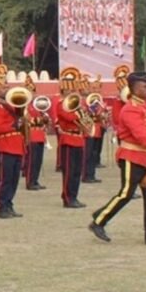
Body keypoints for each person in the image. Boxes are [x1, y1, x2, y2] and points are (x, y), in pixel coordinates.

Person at [89, 72, 146, 244]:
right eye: (144, 87)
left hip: (145, 157)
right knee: (126, 194)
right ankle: (98, 221)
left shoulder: (143, 106)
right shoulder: (130, 109)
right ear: (134, 90)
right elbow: (141, 135)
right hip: (131, 157)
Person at [0, 85, 26, 219]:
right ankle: (1, 207)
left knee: (14, 179)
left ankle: (9, 204)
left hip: (17, 143)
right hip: (6, 144)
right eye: (2, 88)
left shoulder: (11, 105)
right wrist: (14, 126)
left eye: (7, 87)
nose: (6, 90)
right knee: (5, 179)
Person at [55, 67, 87, 208]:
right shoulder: (60, 104)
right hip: (68, 139)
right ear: (63, 91)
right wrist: (79, 114)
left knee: (77, 171)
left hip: (78, 139)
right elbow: (67, 117)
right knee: (68, 170)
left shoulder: (76, 106)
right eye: (68, 90)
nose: (71, 93)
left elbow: (83, 119)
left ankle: (74, 195)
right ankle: (68, 198)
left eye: (72, 90)